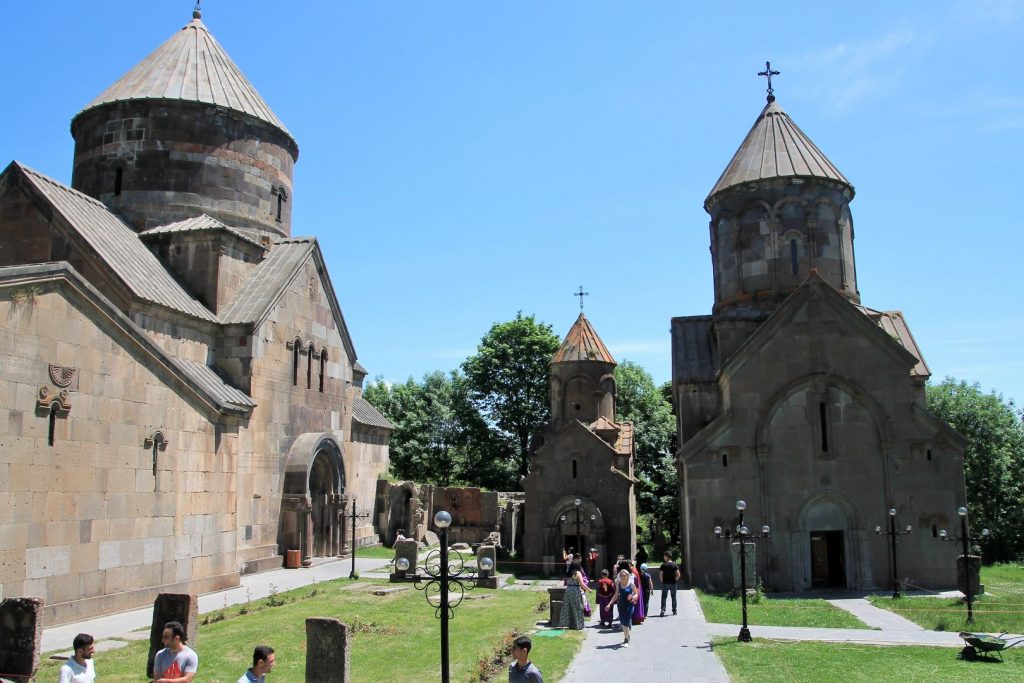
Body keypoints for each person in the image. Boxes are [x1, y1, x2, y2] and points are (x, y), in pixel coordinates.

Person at [557, 560, 588, 630]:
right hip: (575, 590)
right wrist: (589, 589)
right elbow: (582, 584)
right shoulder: (578, 573)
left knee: (569, 607)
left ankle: (569, 624)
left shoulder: (568, 573)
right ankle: (578, 625)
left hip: (568, 590)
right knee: (578, 608)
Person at [613, 569, 638, 647]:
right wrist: (609, 604)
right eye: (621, 576)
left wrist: (633, 597)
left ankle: (626, 639)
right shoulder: (618, 584)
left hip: (629, 606)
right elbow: (616, 595)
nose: (623, 577)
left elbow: (636, 593)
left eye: (624, 575)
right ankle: (627, 635)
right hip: (621, 605)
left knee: (626, 622)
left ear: (627, 576)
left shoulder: (631, 584)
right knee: (623, 622)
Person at [660, 551, 680, 616]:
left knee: (664, 597)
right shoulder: (674, 565)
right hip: (673, 583)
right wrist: (674, 580)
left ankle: (663, 609)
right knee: (673, 597)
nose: (663, 557)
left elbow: (660, 575)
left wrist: (662, 581)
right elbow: (678, 574)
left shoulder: (663, 565)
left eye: (664, 556)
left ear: (667, 556)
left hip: (665, 583)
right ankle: (674, 611)